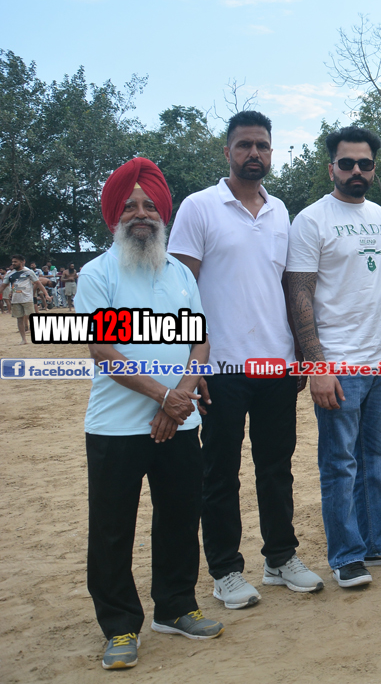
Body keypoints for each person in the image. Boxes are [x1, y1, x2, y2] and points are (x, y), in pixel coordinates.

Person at [168, 110, 324, 609]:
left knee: (276, 468)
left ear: (271, 152)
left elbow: (288, 288)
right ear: (228, 152)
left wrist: (298, 353)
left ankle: (280, 558)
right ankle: (226, 571)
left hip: (276, 365)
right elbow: (180, 291)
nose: (254, 153)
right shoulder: (199, 207)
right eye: (244, 145)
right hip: (221, 367)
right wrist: (192, 367)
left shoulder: (280, 212)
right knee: (220, 472)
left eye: (262, 145)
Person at [77, 157, 223, 670]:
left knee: (180, 517)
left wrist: (178, 399)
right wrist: (166, 397)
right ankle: (119, 627)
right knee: (112, 528)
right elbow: (104, 351)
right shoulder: (97, 274)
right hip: (115, 427)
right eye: (129, 206)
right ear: (114, 216)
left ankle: (176, 607)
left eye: (149, 206)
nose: (141, 214)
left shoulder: (180, 273)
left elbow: (200, 341)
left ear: (163, 214)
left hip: (181, 422)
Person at [285, 126, 381, 589]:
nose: (356, 171)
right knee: (340, 464)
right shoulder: (311, 220)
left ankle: (379, 542)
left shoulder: (380, 216)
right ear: (331, 167)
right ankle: (346, 555)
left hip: (378, 361)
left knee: (377, 459)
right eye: (346, 163)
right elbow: (299, 294)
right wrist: (317, 365)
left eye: (364, 164)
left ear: (373, 168)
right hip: (338, 364)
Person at [5, 254, 49, 344]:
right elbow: (4, 285)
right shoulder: (10, 274)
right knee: (19, 319)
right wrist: (11, 292)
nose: (13, 263)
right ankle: (23, 339)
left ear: (22, 262)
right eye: (12, 262)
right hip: (15, 299)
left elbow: (38, 283)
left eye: (15, 262)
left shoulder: (29, 272)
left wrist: (46, 294)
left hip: (27, 298)